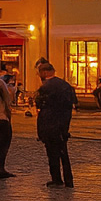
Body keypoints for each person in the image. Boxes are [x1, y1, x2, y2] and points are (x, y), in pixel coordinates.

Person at [34, 58, 77, 188]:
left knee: (52, 154)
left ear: (45, 72)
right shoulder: (66, 85)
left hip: (49, 124)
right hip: (63, 123)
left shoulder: (46, 87)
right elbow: (73, 103)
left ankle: (56, 178)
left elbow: (40, 105)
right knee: (63, 153)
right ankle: (68, 179)